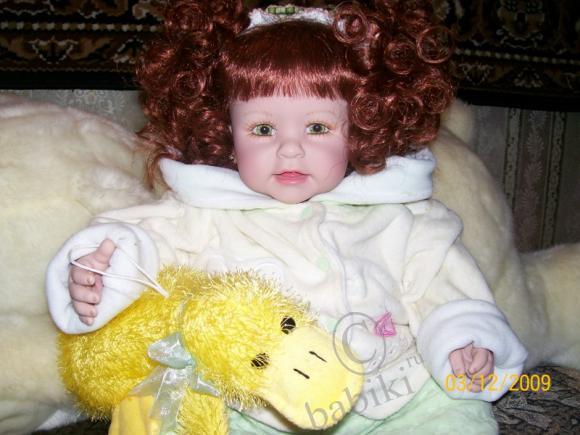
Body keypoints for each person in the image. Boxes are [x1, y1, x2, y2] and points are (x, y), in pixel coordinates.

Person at [46, 1, 527, 433]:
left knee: (456, 415)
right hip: (260, 411)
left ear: (361, 125)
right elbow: (141, 241)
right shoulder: (203, 212)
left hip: (399, 395)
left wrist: (465, 341)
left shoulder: (403, 217)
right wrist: (102, 271)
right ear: (225, 132)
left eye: (317, 127)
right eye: (262, 129)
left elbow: (446, 289)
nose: (290, 149)